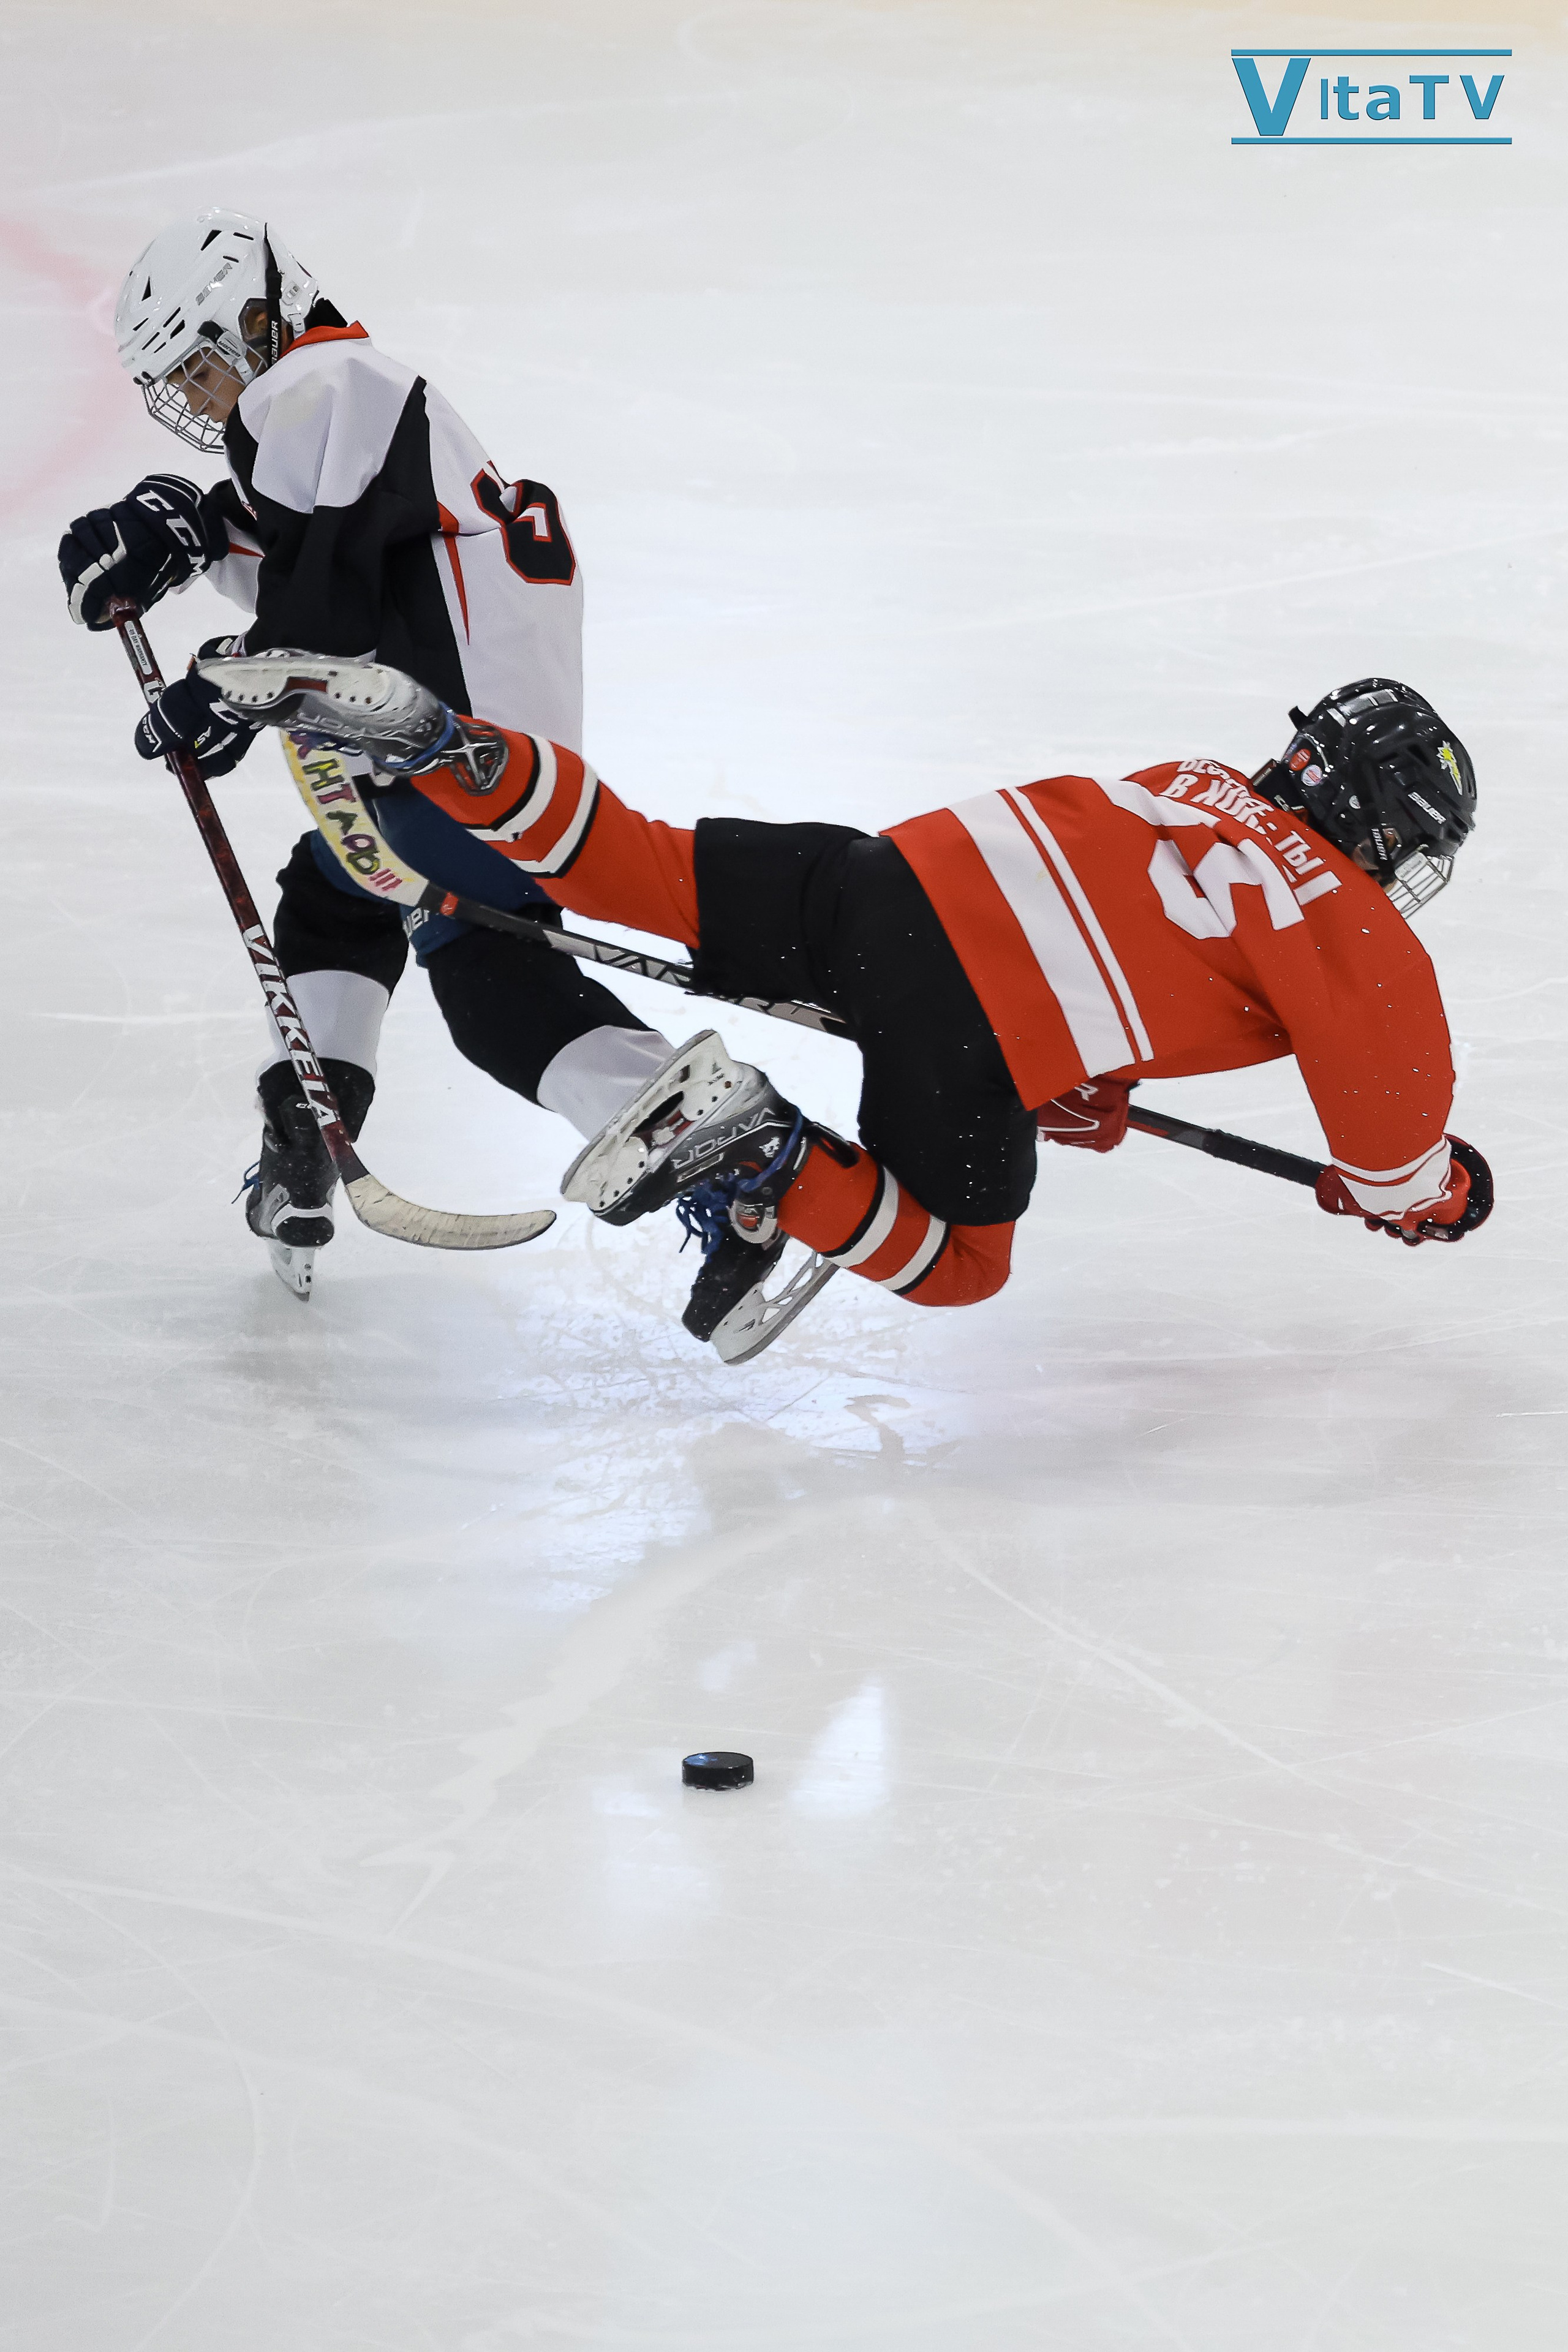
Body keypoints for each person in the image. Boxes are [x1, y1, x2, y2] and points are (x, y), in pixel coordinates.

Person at [200, 655, 1493, 1354]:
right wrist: (1428, 1200)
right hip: (970, 1018)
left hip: (880, 875)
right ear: (1377, 824)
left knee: (626, 858)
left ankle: (446, 749)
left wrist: (1078, 1073)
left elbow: (1117, 936)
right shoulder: (1354, 922)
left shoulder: (1196, 779)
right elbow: (1386, 1149)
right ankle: (768, 1152)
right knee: (959, 1265)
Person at [58, 208, 672, 1292]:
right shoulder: (337, 405)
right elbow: (335, 565)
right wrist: (188, 527)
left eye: (203, 368)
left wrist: (225, 689)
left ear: (261, 315)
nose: (201, 401)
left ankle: (727, 1141)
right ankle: (309, 1116)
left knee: (494, 997)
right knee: (342, 897)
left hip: (459, 761)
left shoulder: (317, 390)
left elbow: (322, 619)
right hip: (472, 769)